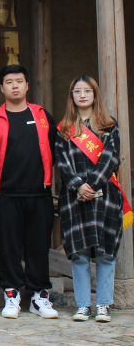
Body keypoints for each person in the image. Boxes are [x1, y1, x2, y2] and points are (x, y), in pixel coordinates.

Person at [0, 65, 58, 319]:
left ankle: (39, 297)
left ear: (27, 85)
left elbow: (55, 149)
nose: (15, 86)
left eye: (19, 81)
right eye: (9, 82)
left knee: (38, 246)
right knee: (8, 247)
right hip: (5, 193)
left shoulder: (41, 115)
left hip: (39, 192)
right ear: (1, 88)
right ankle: (11, 294)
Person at [56, 75, 126, 323]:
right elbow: (62, 162)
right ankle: (83, 305)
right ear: (72, 96)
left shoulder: (108, 125)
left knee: (106, 252)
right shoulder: (64, 128)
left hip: (105, 195)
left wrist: (93, 184)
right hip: (74, 196)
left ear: (95, 94)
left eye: (87, 91)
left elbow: (111, 157)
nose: (82, 95)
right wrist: (79, 185)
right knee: (80, 252)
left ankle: (104, 305)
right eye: (77, 91)